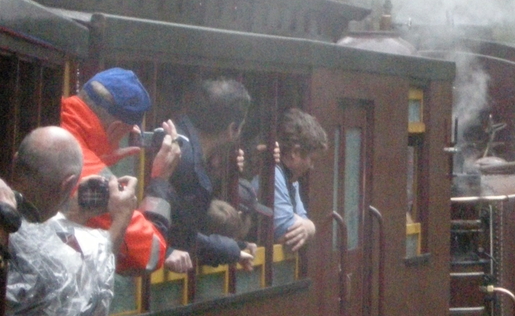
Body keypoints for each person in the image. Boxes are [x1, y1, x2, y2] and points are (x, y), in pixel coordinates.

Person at [1, 127, 137, 316]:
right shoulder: (19, 243)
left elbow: (36, 227)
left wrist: (74, 214)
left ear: (16, 161)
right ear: (68, 184)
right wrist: (121, 218)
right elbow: (86, 299)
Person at [61, 68, 191, 273]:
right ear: (114, 128)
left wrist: (98, 154)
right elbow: (149, 254)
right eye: (127, 132)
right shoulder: (85, 169)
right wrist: (160, 180)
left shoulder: (54, 117)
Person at [166, 78, 256, 269]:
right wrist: (232, 250)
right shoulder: (190, 169)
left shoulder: (181, 135)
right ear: (233, 129)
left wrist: (235, 247)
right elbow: (183, 239)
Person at [274, 109, 328, 252]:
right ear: (295, 152)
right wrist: (308, 226)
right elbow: (287, 234)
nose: (312, 166)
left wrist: (309, 226)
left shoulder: (291, 179)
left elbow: (303, 221)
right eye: (312, 159)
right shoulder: (274, 175)